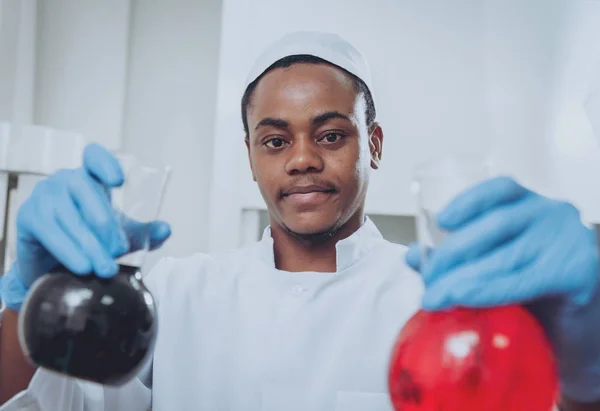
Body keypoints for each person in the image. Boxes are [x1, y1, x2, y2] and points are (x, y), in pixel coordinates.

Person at [1, 31, 600, 411]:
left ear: (376, 143)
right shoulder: (175, 295)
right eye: (274, 139)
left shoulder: (441, 301)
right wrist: (27, 299)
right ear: (252, 157)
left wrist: (589, 376)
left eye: (332, 134)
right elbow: (37, 402)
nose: (304, 158)